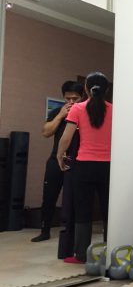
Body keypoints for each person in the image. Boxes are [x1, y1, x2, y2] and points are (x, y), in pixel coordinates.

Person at [57, 72, 112, 264]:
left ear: (86, 89)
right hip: (108, 167)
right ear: (106, 90)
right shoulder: (115, 110)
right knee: (108, 210)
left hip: (84, 166)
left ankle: (81, 255)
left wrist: (59, 155)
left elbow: (66, 137)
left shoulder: (78, 109)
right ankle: (111, 250)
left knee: (83, 210)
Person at [31, 81, 84, 242]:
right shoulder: (57, 112)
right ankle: (45, 230)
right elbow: (45, 132)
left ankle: (74, 232)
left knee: (76, 198)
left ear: (82, 97)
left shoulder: (85, 113)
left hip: (78, 161)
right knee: (49, 197)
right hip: (56, 159)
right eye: (68, 98)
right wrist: (61, 115)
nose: (71, 102)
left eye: (75, 98)